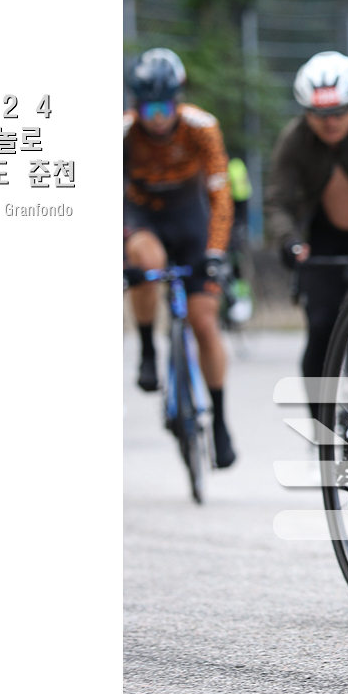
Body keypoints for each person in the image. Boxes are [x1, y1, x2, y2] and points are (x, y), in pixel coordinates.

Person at [123, 48, 237, 468]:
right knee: (145, 260)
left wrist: (215, 252)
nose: (157, 118)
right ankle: (148, 349)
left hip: (191, 217)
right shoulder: (123, 133)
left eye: (165, 108)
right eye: (148, 109)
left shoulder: (201, 127)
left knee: (204, 321)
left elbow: (220, 193)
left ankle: (220, 420)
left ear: (178, 102)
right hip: (143, 215)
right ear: (135, 106)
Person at [265, 51, 348, 380]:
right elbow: (278, 201)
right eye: (319, 114)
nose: (330, 122)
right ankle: (321, 412)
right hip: (325, 239)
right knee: (320, 327)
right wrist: (289, 240)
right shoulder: (294, 140)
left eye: (339, 111)